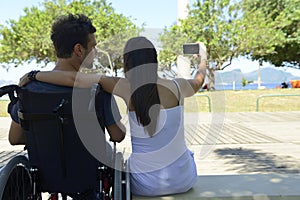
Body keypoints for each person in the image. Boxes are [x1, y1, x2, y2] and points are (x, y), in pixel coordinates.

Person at [20, 36, 207, 196]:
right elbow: (199, 79)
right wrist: (203, 58)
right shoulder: (177, 86)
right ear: (155, 61)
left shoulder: (124, 86)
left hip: (145, 185)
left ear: (127, 64)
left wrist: (35, 75)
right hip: (184, 180)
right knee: (186, 155)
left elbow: (72, 79)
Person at [9, 13, 126, 146]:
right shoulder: (98, 89)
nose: (97, 52)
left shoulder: (28, 90)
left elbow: (15, 138)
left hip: (46, 163)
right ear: (79, 50)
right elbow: (117, 136)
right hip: (88, 164)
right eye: (93, 46)